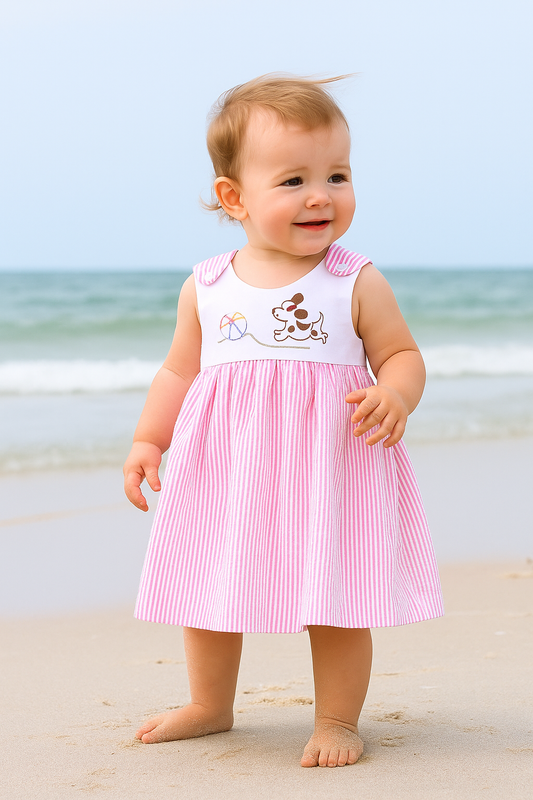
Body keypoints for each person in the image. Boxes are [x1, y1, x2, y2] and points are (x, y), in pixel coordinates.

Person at [123, 74, 443, 768]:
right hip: (227, 466)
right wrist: (150, 438)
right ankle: (209, 703)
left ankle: (336, 718)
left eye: (337, 173)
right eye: (293, 179)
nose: (321, 195)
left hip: (330, 464)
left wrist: (396, 394)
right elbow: (179, 371)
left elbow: (401, 353)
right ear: (233, 197)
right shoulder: (207, 285)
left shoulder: (353, 279)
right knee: (208, 586)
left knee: (334, 591)